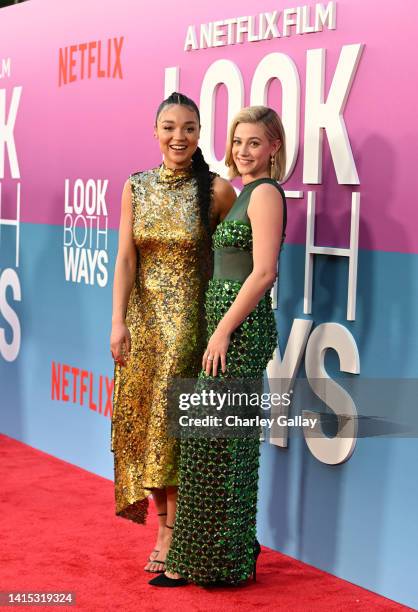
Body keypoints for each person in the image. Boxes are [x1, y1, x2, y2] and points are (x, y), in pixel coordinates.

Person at [149, 105, 287, 587]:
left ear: (273, 146)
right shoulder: (246, 193)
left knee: (224, 449)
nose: (244, 151)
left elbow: (264, 271)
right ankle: (207, 557)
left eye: (254, 142)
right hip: (224, 327)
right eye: (238, 142)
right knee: (210, 446)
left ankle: (222, 562)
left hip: (240, 331)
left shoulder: (266, 194)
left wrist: (224, 328)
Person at [110, 92, 236, 574]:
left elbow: (237, 261)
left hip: (190, 330)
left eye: (188, 127)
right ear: (155, 131)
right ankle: (164, 523)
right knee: (144, 425)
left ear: (200, 134)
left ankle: (173, 534)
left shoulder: (218, 190)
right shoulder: (136, 186)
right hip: (142, 327)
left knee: (174, 430)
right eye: (169, 126)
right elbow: (125, 258)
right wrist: (118, 320)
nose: (178, 136)